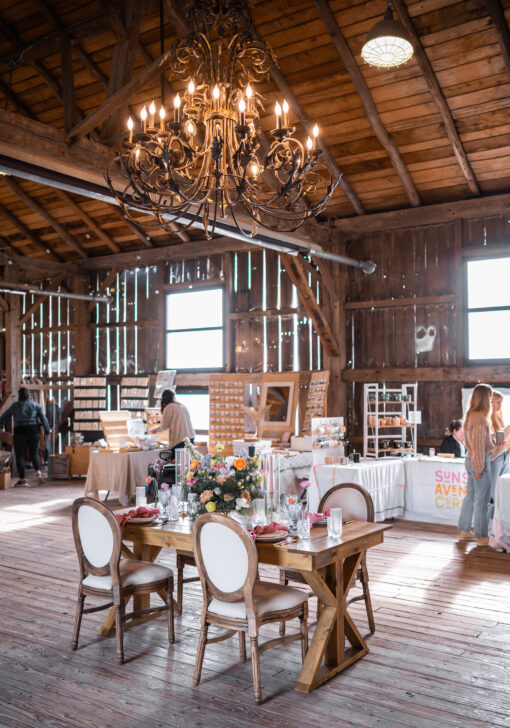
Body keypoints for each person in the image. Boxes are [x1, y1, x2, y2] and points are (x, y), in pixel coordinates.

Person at [457, 384, 510, 545]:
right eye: (489, 397)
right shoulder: (480, 418)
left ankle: (464, 531)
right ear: (484, 398)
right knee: (483, 500)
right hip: (479, 461)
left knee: (471, 497)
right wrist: (479, 468)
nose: (491, 400)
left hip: (470, 458)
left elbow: (476, 443)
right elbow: (479, 448)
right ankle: (481, 536)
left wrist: (495, 442)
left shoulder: (471, 415)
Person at [0, 388, 50, 486]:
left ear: (19, 395)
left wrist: (1, 427)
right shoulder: (36, 405)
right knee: (34, 454)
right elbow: (44, 419)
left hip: (20, 432)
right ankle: (38, 474)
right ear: (28, 395)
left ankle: (22, 480)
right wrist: (47, 432)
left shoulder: (14, 406)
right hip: (34, 431)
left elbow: (3, 417)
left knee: (20, 456)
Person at [155, 389, 195, 459]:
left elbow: (164, 426)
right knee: (187, 463)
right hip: (190, 438)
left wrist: (155, 430)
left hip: (180, 440)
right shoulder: (182, 405)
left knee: (177, 464)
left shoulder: (169, 407)